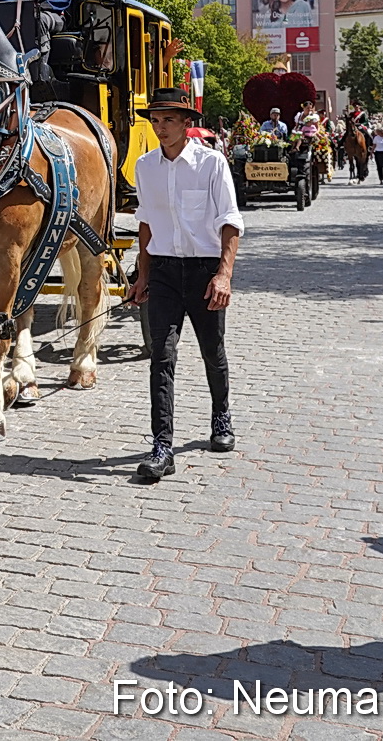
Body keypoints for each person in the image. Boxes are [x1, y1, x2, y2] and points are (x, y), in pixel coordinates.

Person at [125, 86, 244, 482]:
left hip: (203, 272)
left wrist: (224, 274)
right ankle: (162, 446)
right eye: (155, 121)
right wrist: (141, 275)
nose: (161, 128)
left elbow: (230, 221)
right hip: (162, 272)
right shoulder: (145, 167)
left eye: (169, 120)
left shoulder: (211, 164)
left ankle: (221, 416)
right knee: (161, 355)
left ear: (186, 122)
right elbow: (145, 223)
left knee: (213, 350)